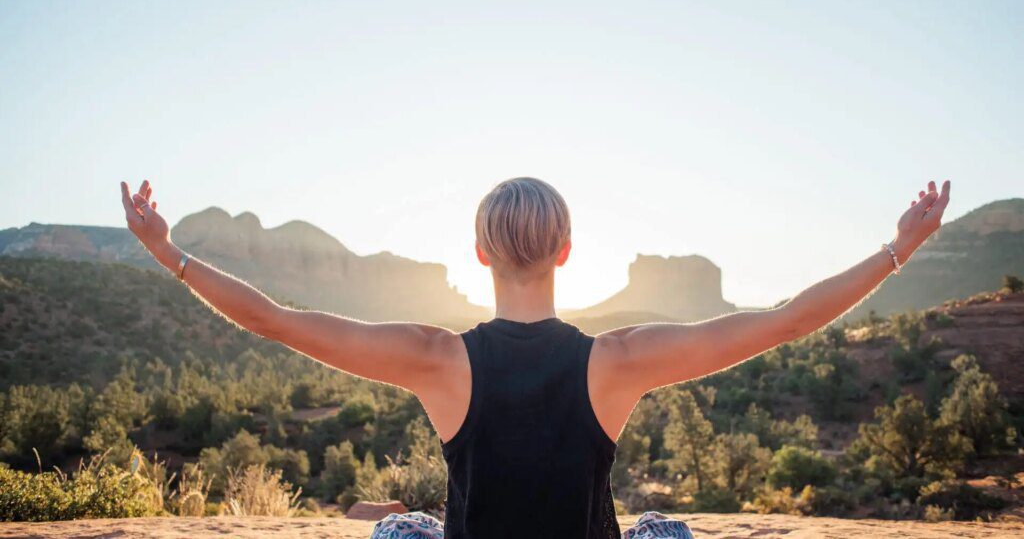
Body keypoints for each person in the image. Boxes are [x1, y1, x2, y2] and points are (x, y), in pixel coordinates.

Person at [119, 176, 951, 539]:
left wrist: (172, 256)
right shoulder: (616, 361)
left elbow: (275, 320)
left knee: (400, 528)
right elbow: (781, 321)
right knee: (670, 529)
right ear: (566, 252)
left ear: (480, 256)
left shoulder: (435, 358)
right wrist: (897, 250)